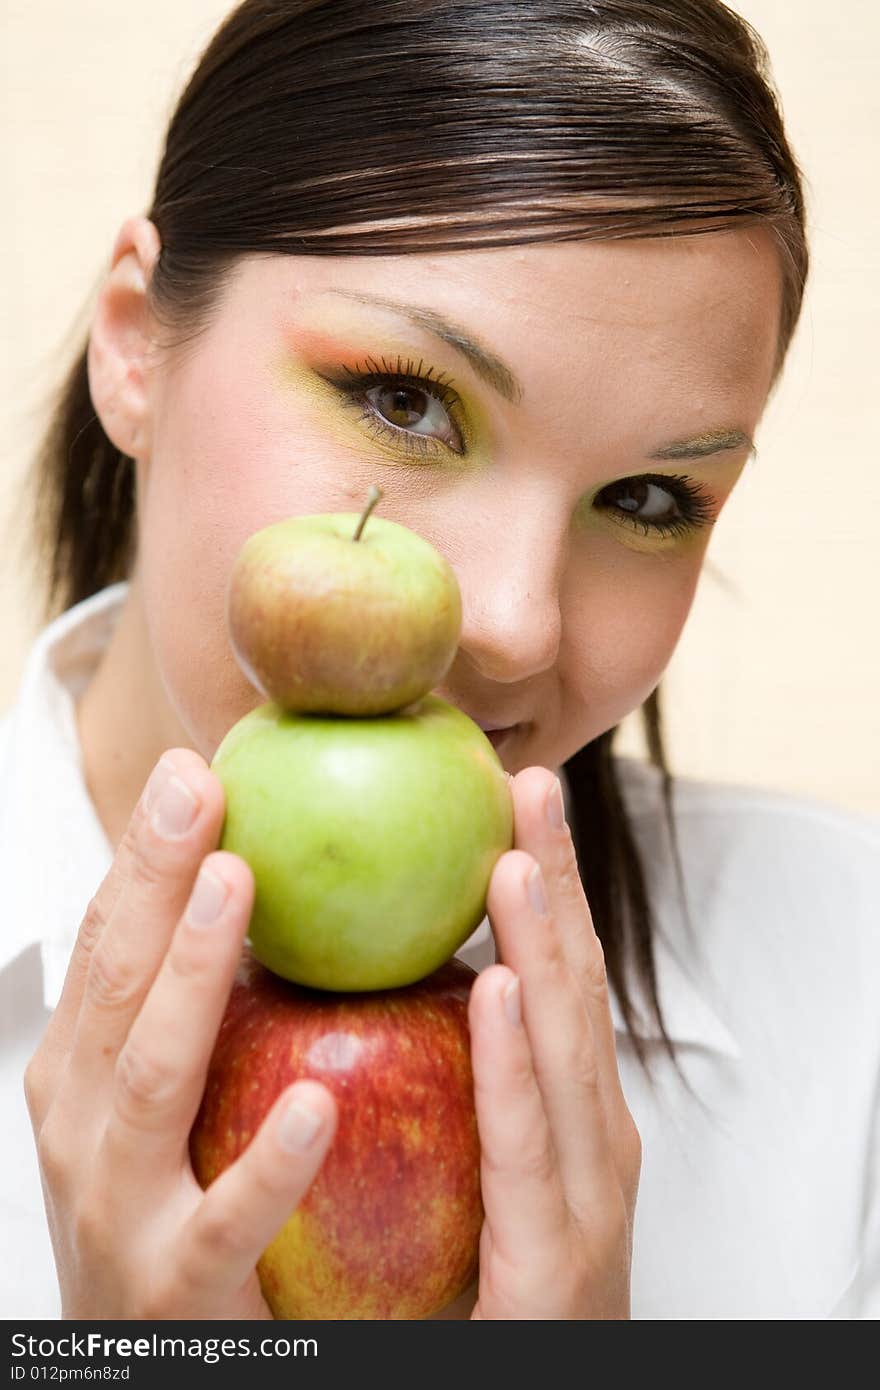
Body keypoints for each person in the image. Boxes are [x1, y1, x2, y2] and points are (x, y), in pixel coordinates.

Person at [1, 0, 878, 1321]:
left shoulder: (851, 990)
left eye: (647, 497)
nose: (518, 620)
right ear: (134, 341)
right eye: (406, 401)